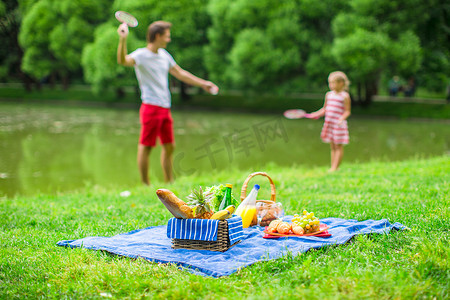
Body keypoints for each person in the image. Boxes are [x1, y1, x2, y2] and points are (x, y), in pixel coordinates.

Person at [117, 21, 219, 185]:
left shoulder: (164, 55)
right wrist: (122, 40)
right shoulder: (141, 55)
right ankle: (145, 183)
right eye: (167, 36)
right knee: (146, 146)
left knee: (170, 145)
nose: (169, 39)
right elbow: (123, 61)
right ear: (157, 36)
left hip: (165, 107)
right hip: (150, 107)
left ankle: (169, 180)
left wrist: (203, 83)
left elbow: (180, 73)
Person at [309, 71, 351, 172]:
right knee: (332, 146)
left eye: (333, 83)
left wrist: (341, 119)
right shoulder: (329, 95)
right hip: (329, 124)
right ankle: (333, 167)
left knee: (338, 146)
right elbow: (324, 109)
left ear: (341, 83)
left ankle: (335, 167)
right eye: (330, 83)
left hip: (339, 125)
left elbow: (347, 111)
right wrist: (315, 114)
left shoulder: (345, 96)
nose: (330, 85)